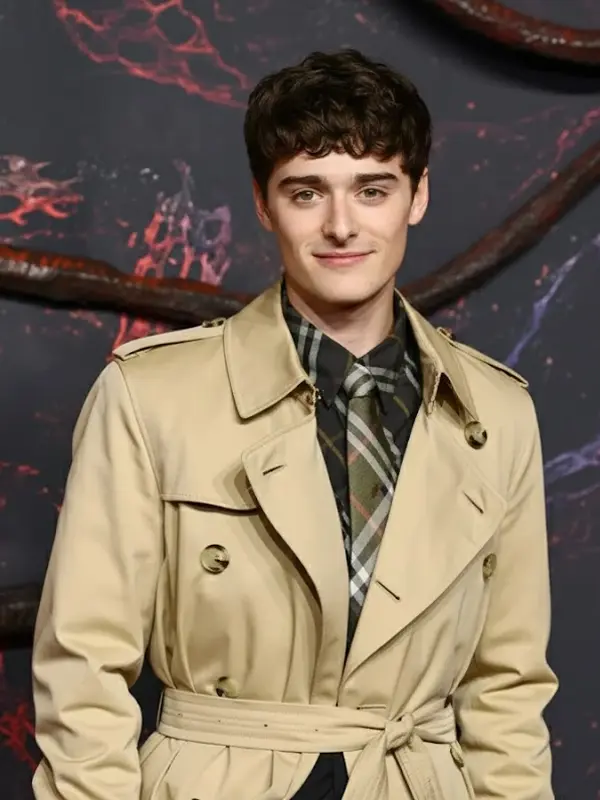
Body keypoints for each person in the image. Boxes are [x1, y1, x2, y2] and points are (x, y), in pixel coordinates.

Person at [31, 49, 557, 800]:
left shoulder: (498, 413)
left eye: (372, 190)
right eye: (307, 192)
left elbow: (508, 687)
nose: (341, 226)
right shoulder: (150, 396)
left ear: (417, 195)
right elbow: (82, 669)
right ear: (263, 203)